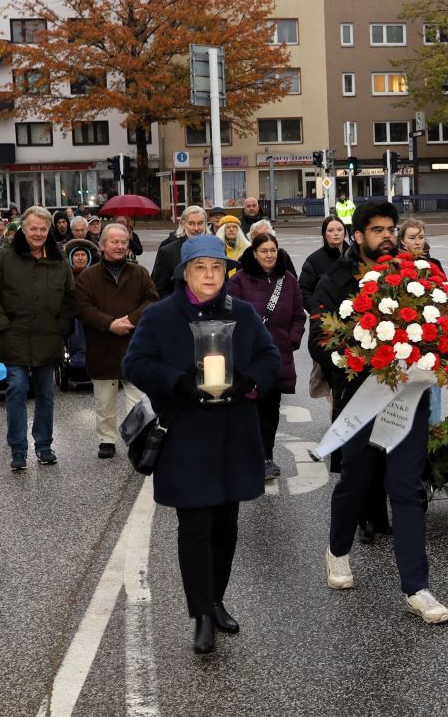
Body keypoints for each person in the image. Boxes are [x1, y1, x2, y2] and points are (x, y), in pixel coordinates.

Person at [123, 234, 282, 654]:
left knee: (226, 526)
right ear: (185, 273)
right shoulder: (159, 316)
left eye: (217, 268)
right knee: (194, 527)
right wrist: (176, 383)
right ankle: (201, 615)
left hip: (233, 436)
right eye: (200, 268)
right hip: (186, 438)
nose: (209, 276)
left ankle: (216, 598)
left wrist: (250, 383)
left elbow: (270, 360)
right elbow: (135, 363)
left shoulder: (243, 314)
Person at [308, 201, 448, 625]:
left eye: (391, 229)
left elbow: (443, 323)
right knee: (357, 480)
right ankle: (337, 549)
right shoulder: (335, 282)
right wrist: (361, 353)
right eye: (377, 230)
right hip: (360, 400)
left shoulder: (421, 275)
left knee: (406, 488)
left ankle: (417, 588)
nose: (387, 236)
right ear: (358, 237)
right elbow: (319, 342)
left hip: (410, 401)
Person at [0, 206, 74, 471]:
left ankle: (43, 445)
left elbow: (69, 295)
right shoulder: (3, 257)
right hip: (15, 335)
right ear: (23, 228)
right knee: (17, 388)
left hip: (48, 335)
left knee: (45, 392)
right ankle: (18, 449)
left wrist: (63, 325)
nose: (38, 233)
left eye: (43, 229)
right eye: (33, 228)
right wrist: (2, 325)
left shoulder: (58, 258)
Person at [75, 222, 158, 459]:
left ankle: (138, 438)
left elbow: (152, 301)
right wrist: (109, 323)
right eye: (114, 242)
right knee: (104, 401)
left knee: (138, 400)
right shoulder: (88, 277)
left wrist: (131, 320)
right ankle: (107, 440)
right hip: (103, 346)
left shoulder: (139, 273)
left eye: (123, 242)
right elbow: (81, 308)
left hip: (135, 345)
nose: (120, 246)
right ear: (102, 246)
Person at [227, 230, 305, 480]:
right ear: (254, 253)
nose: (269, 255)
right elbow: (230, 315)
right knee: (248, 408)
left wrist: (292, 339)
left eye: (273, 250)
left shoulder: (289, 280)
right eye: (264, 251)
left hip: (278, 356)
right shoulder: (239, 280)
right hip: (248, 358)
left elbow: (298, 315)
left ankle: (266, 457)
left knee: (271, 409)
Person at [152, 205, 209, 298]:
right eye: (191, 223)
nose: (196, 228)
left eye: (200, 223)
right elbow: (158, 289)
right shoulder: (168, 252)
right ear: (183, 224)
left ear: (205, 224)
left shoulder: (216, 248)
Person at [299, 216, 347, 307]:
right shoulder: (313, 260)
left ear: (345, 233)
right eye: (331, 230)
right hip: (325, 318)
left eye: (339, 229)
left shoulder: (354, 255)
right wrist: (318, 309)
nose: (336, 233)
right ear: (324, 234)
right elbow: (303, 292)